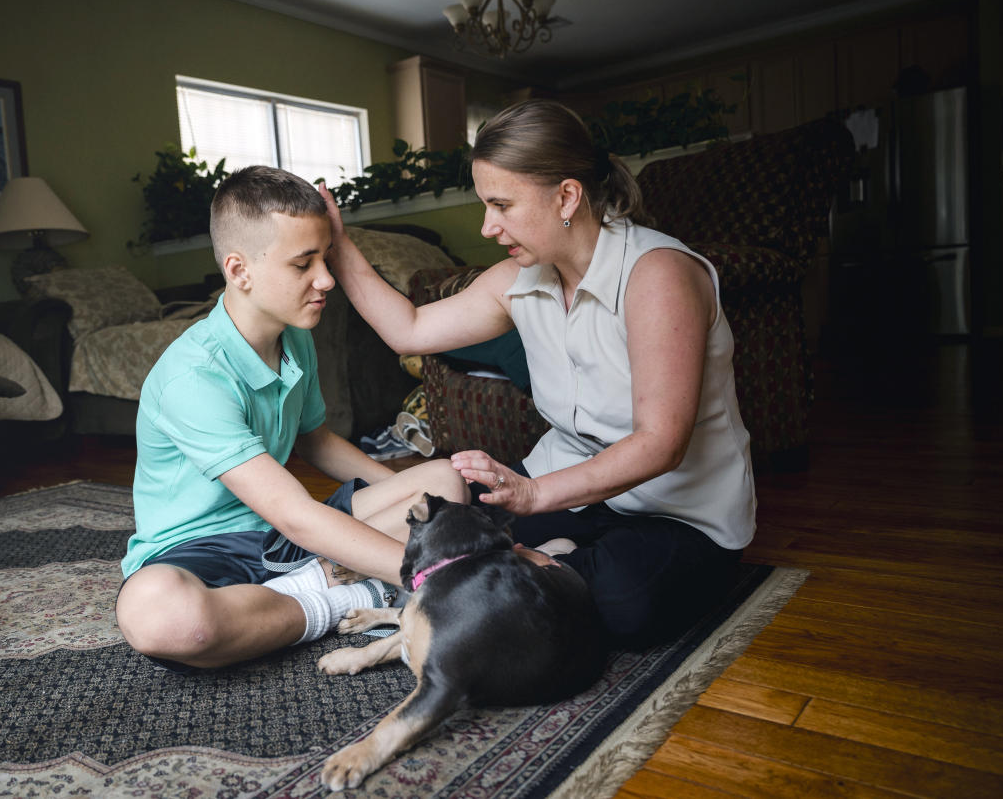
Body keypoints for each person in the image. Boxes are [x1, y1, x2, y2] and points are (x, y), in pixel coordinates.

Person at [319, 99, 756, 647]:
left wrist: (531, 496)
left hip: (677, 514)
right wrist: (338, 245)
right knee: (451, 527)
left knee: (625, 606)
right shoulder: (518, 281)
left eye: (502, 204)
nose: (487, 226)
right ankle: (532, 566)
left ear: (567, 196)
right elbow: (407, 329)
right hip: (573, 493)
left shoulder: (658, 274)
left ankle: (508, 569)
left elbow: (661, 443)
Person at [116, 165, 467, 670]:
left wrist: (409, 499)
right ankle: (336, 598)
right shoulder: (191, 377)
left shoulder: (294, 336)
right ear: (239, 271)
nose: (326, 279)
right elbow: (295, 514)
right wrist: (438, 575)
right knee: (162, 616)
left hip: (283, 539)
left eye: (325, 258)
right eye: (303, 264)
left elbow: (317, 441)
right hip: (204, 552)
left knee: (441, 481)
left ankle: (326, 586)